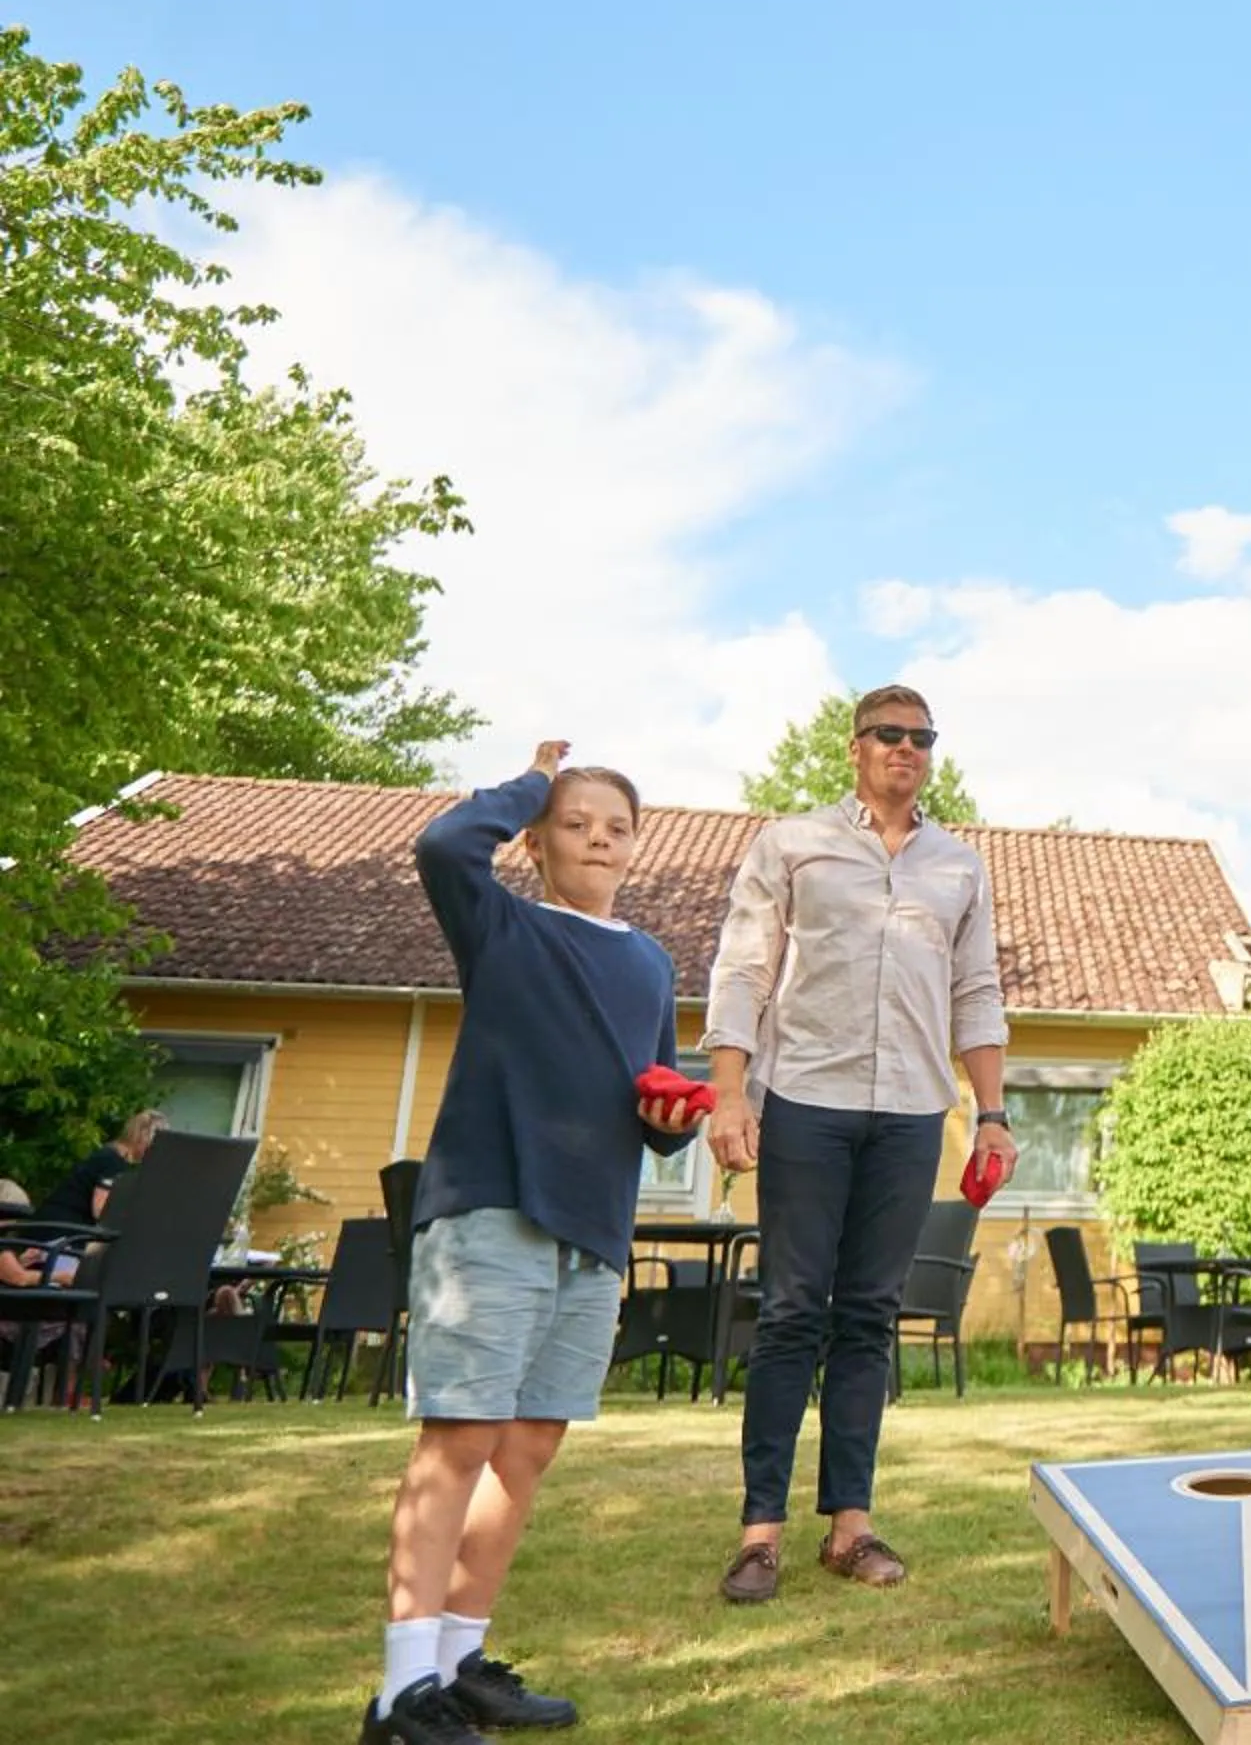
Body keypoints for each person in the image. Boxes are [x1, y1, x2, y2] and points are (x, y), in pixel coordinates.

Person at [366, 743, 704, 1745]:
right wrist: (524, 785)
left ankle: (459, 1663)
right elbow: (441, 842)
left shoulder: (651, 961)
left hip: (592, 1229)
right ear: (539, 839)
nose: (597, 835)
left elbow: (653, 1089)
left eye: (615, 824)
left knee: (525, 1448)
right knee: (461, 1438)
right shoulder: (500, 921)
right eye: (574, 819)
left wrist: (670, 1122)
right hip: (491, 1208)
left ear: (635, 846)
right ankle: (397, 1698)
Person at [702, 684, 1015, 1606]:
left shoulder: (960, 866)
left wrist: (990, 1112)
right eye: (890, 734)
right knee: (795, 1308)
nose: (906, 748)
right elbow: (744, 966)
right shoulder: (792, 844)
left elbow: (979, 988)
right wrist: (729, 1091)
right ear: (856, 747)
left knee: (870, 1315)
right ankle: (761, 1533)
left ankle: (850, 1526)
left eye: (922, 737)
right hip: (805, 1095)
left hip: (913, 1110)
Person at [33, 1108, 165, 1230]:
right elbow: (100, 1210)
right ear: (142, 1137)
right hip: (63, 1227)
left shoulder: (111, 1156)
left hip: (57, 1222)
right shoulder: (113, 1162)